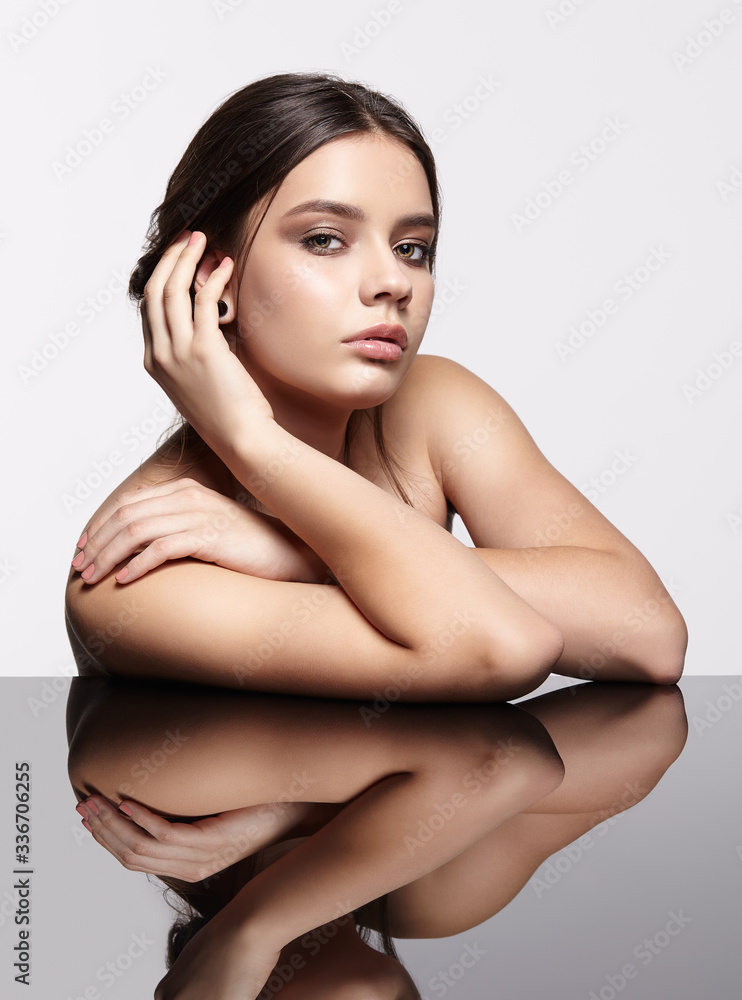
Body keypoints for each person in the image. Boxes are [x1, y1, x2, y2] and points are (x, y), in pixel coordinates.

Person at [64, 71, 687, 701]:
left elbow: (651, 636)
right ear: (208, 278)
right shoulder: (136, 564)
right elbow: (502, 644)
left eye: (413, 247)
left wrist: (299, 553)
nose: (394, 281)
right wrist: (252, 441)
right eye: (325, 239)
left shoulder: (433, 405)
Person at [67, 675, 687, 999]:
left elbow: (497, 767)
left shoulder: (154, 805)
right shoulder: (430, 895)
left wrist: (250, 929)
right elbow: (650, 726)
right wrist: (291, 824)